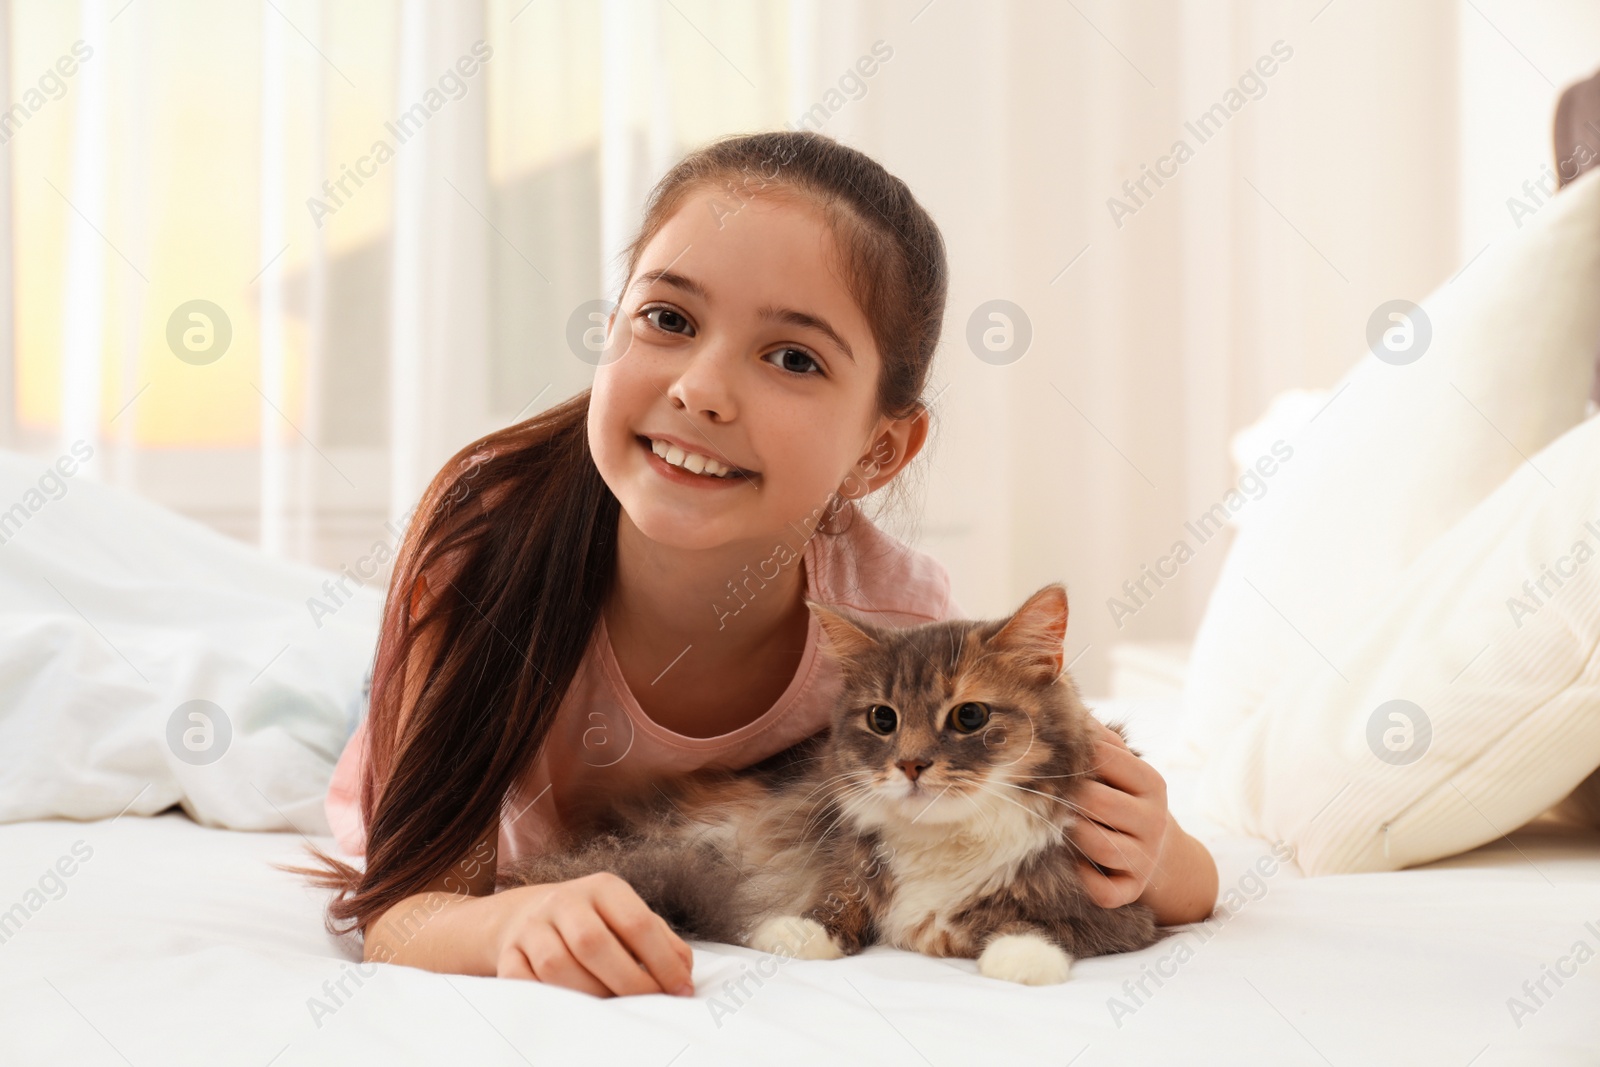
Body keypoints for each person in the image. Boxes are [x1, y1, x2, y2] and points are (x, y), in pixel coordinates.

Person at [286, 129, 1218, 1000]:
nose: (700, 390)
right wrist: (503, 924)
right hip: (425, 724)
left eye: (792, 357)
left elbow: (1174, 872)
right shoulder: (479, 550)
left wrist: (1160, 851)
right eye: (666, 316)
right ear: (610, 327)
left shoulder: (889, 624)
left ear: (879, 452)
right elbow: (400, 914)